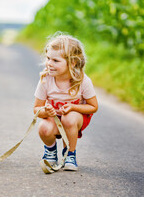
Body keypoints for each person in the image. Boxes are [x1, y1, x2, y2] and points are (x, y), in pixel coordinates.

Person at [33, 32, 98, 171]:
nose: (49, 63)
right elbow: (36, 109)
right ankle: (50, 151)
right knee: (44, 127)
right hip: (54, 119)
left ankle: (70, 153)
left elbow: (93, 106)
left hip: (75, 118)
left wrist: (74, 107)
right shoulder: (45, 79)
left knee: (68, 118)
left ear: (72, 62)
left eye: (55, 61)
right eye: (48, 58)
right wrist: (45, 111)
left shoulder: (82, 81)